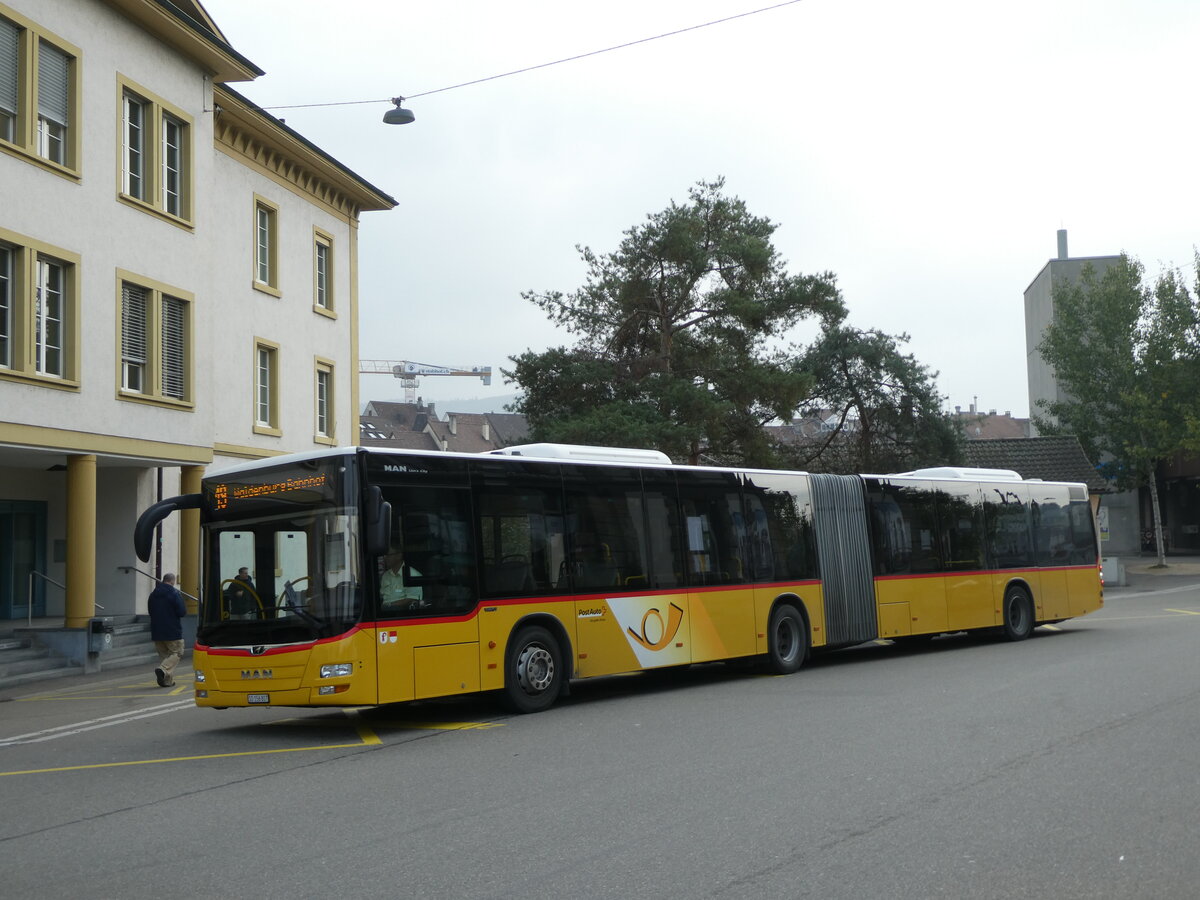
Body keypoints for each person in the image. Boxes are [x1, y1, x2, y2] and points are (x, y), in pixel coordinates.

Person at [148, 573, 187, 687]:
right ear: (172, 581)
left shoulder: (153, 594)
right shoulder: (174, 593)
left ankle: (166, 681)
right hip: (172, 630)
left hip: (156, 630)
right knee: (177, 652)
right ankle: (163, 669)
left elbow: (150, 611)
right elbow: (181, 612)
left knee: (165, 657)